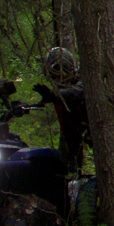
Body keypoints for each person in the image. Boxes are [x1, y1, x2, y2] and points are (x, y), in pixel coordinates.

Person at [34, 46, 90, 174]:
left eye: (57, 77)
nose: (55, 82)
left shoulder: (83, 83)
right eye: (52, 78)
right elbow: (72, 137)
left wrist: (55, 96)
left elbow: (76, 93)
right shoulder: (63, 96)